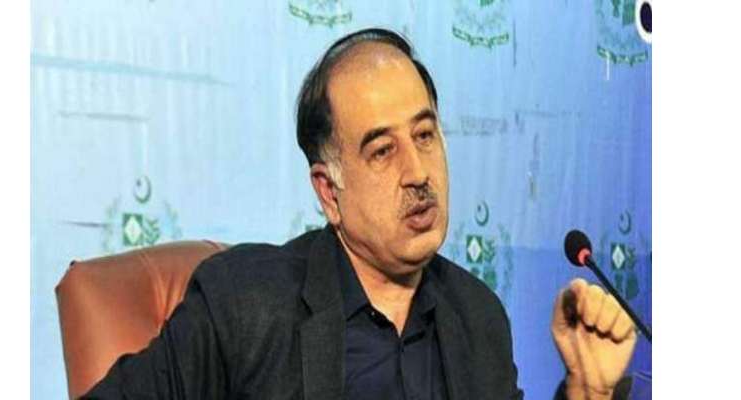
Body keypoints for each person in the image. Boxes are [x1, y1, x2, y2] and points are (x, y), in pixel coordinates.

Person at [83, 28, 638, 400]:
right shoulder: (243, 305)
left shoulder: (477, 317)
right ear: (329, 192)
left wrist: (588, 392)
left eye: (425, 135)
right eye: (382, 150)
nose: (418, 172)